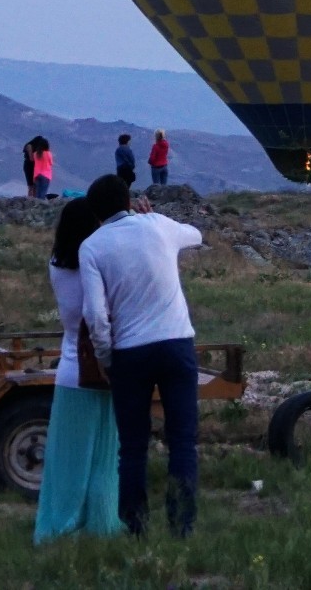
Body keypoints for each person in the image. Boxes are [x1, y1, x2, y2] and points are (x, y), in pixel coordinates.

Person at [78, 174, 203, 537]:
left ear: (96, 212)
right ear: (129, 200)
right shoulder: (158, 226)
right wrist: (157, 218)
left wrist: (105, 356)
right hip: (177, 342)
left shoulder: (92, 247)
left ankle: (136, 527)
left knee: (132, 447)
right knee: (182, 440)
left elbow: (96, 315)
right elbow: (196, 235)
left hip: (130, 352)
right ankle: (182, 526)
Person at [34, 198, 123, 542]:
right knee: (104, 456)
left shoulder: (55, 266)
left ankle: (62, 521)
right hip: (106, 370)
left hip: (72, 371)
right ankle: (102, 522)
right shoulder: (99, 266)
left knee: (68, 461)